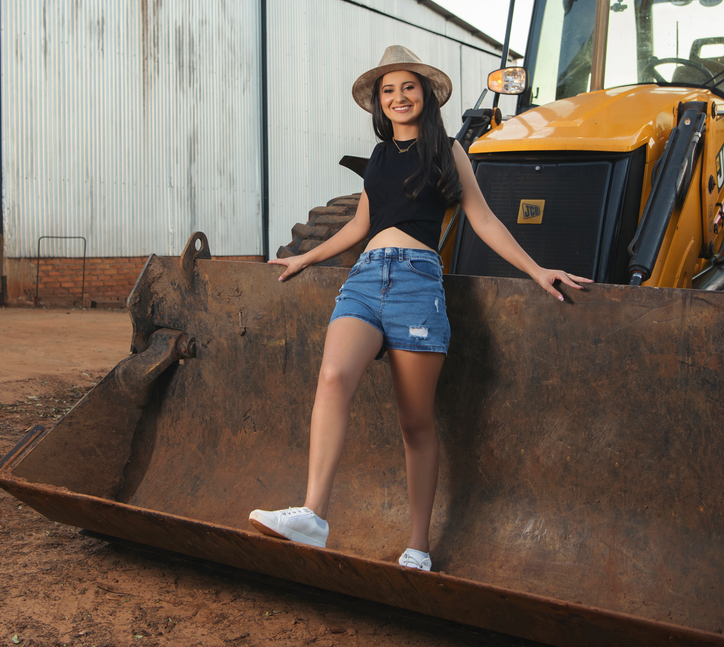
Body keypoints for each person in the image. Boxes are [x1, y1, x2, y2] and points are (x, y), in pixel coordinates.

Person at [249, 45, 591, 571]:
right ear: (378, 103)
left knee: (415, 422)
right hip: (365, 278)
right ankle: (313, 516)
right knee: (333, 377)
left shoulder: (448, 150)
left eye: (407, 87)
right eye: (388, 90)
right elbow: (360, 225)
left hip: (416, 284)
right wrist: (305, 257)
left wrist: (536, 269)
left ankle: (418, 546)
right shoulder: (379, 157)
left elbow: (483, 219)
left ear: (425, 95)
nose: (398, 97)